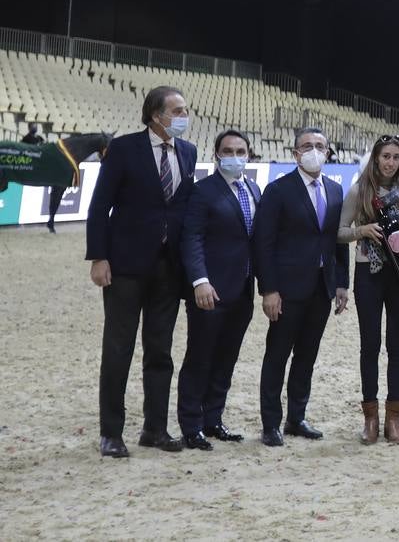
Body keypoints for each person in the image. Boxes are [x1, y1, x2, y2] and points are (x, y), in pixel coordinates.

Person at [86, 86, 197, 457]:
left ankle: (155, 429)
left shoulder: (188, 151)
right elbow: (100, 205)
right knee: (118, 348)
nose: (184, 115)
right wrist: (99, 257)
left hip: (168, 268)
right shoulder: (123, 149)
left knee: (160, 350)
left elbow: (181, 207)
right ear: (156, 115)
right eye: (177, 110)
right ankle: (111, 433)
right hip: (125, 266)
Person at [253, 127, 348, 448]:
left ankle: (296, 417)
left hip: (322, 289)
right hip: (286, 290)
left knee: (306, 356)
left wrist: (342, 284)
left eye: (320, 146)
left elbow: (338, 242)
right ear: (295, 153)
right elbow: (263, 244)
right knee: (277, 355)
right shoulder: (278, 190)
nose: (313, 150)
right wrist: (269, 289)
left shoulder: (336, 192)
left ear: (328, 152)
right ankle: (270, 423)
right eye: (307, 146)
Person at [177, 129, 259, 450]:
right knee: (199, 358)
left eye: (240, 151)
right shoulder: (203, 192)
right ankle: (191, 425)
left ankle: (213, 419)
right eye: (228, 150)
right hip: (209, 291)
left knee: (226, 358)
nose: (234, 156)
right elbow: (192, 238)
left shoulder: (253, 189)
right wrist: (200, 280)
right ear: (217, 154)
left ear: (248, 155)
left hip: (242, 292)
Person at [339, 135, 399, 445]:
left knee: (398, 346)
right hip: (368, 273)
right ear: (375, 159)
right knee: (370, 345)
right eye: (385, 156)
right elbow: (339, 232)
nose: (390, 162)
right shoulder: (359, 191)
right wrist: (362, 230)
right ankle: (370, 417)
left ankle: (393, 417)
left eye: (395, 157)